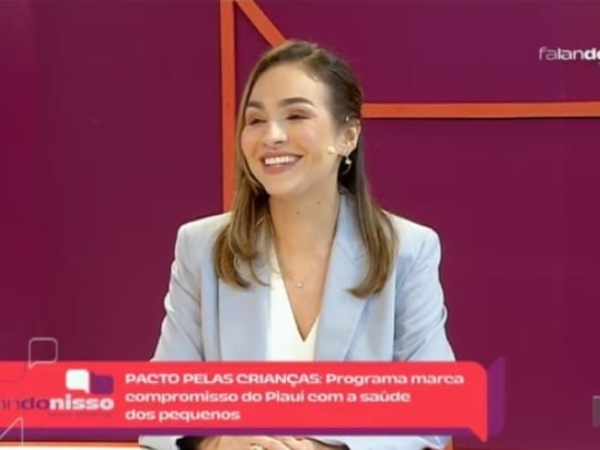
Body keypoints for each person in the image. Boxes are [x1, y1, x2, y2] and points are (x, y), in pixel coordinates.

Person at [140, 39, 455, 450]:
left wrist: (323, 449)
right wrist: (217, 444)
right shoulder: (201, 247)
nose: (271, 136)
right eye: (255, 120)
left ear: (348, 136)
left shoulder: (406, 250)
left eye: (295, 115)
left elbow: (437, 408)